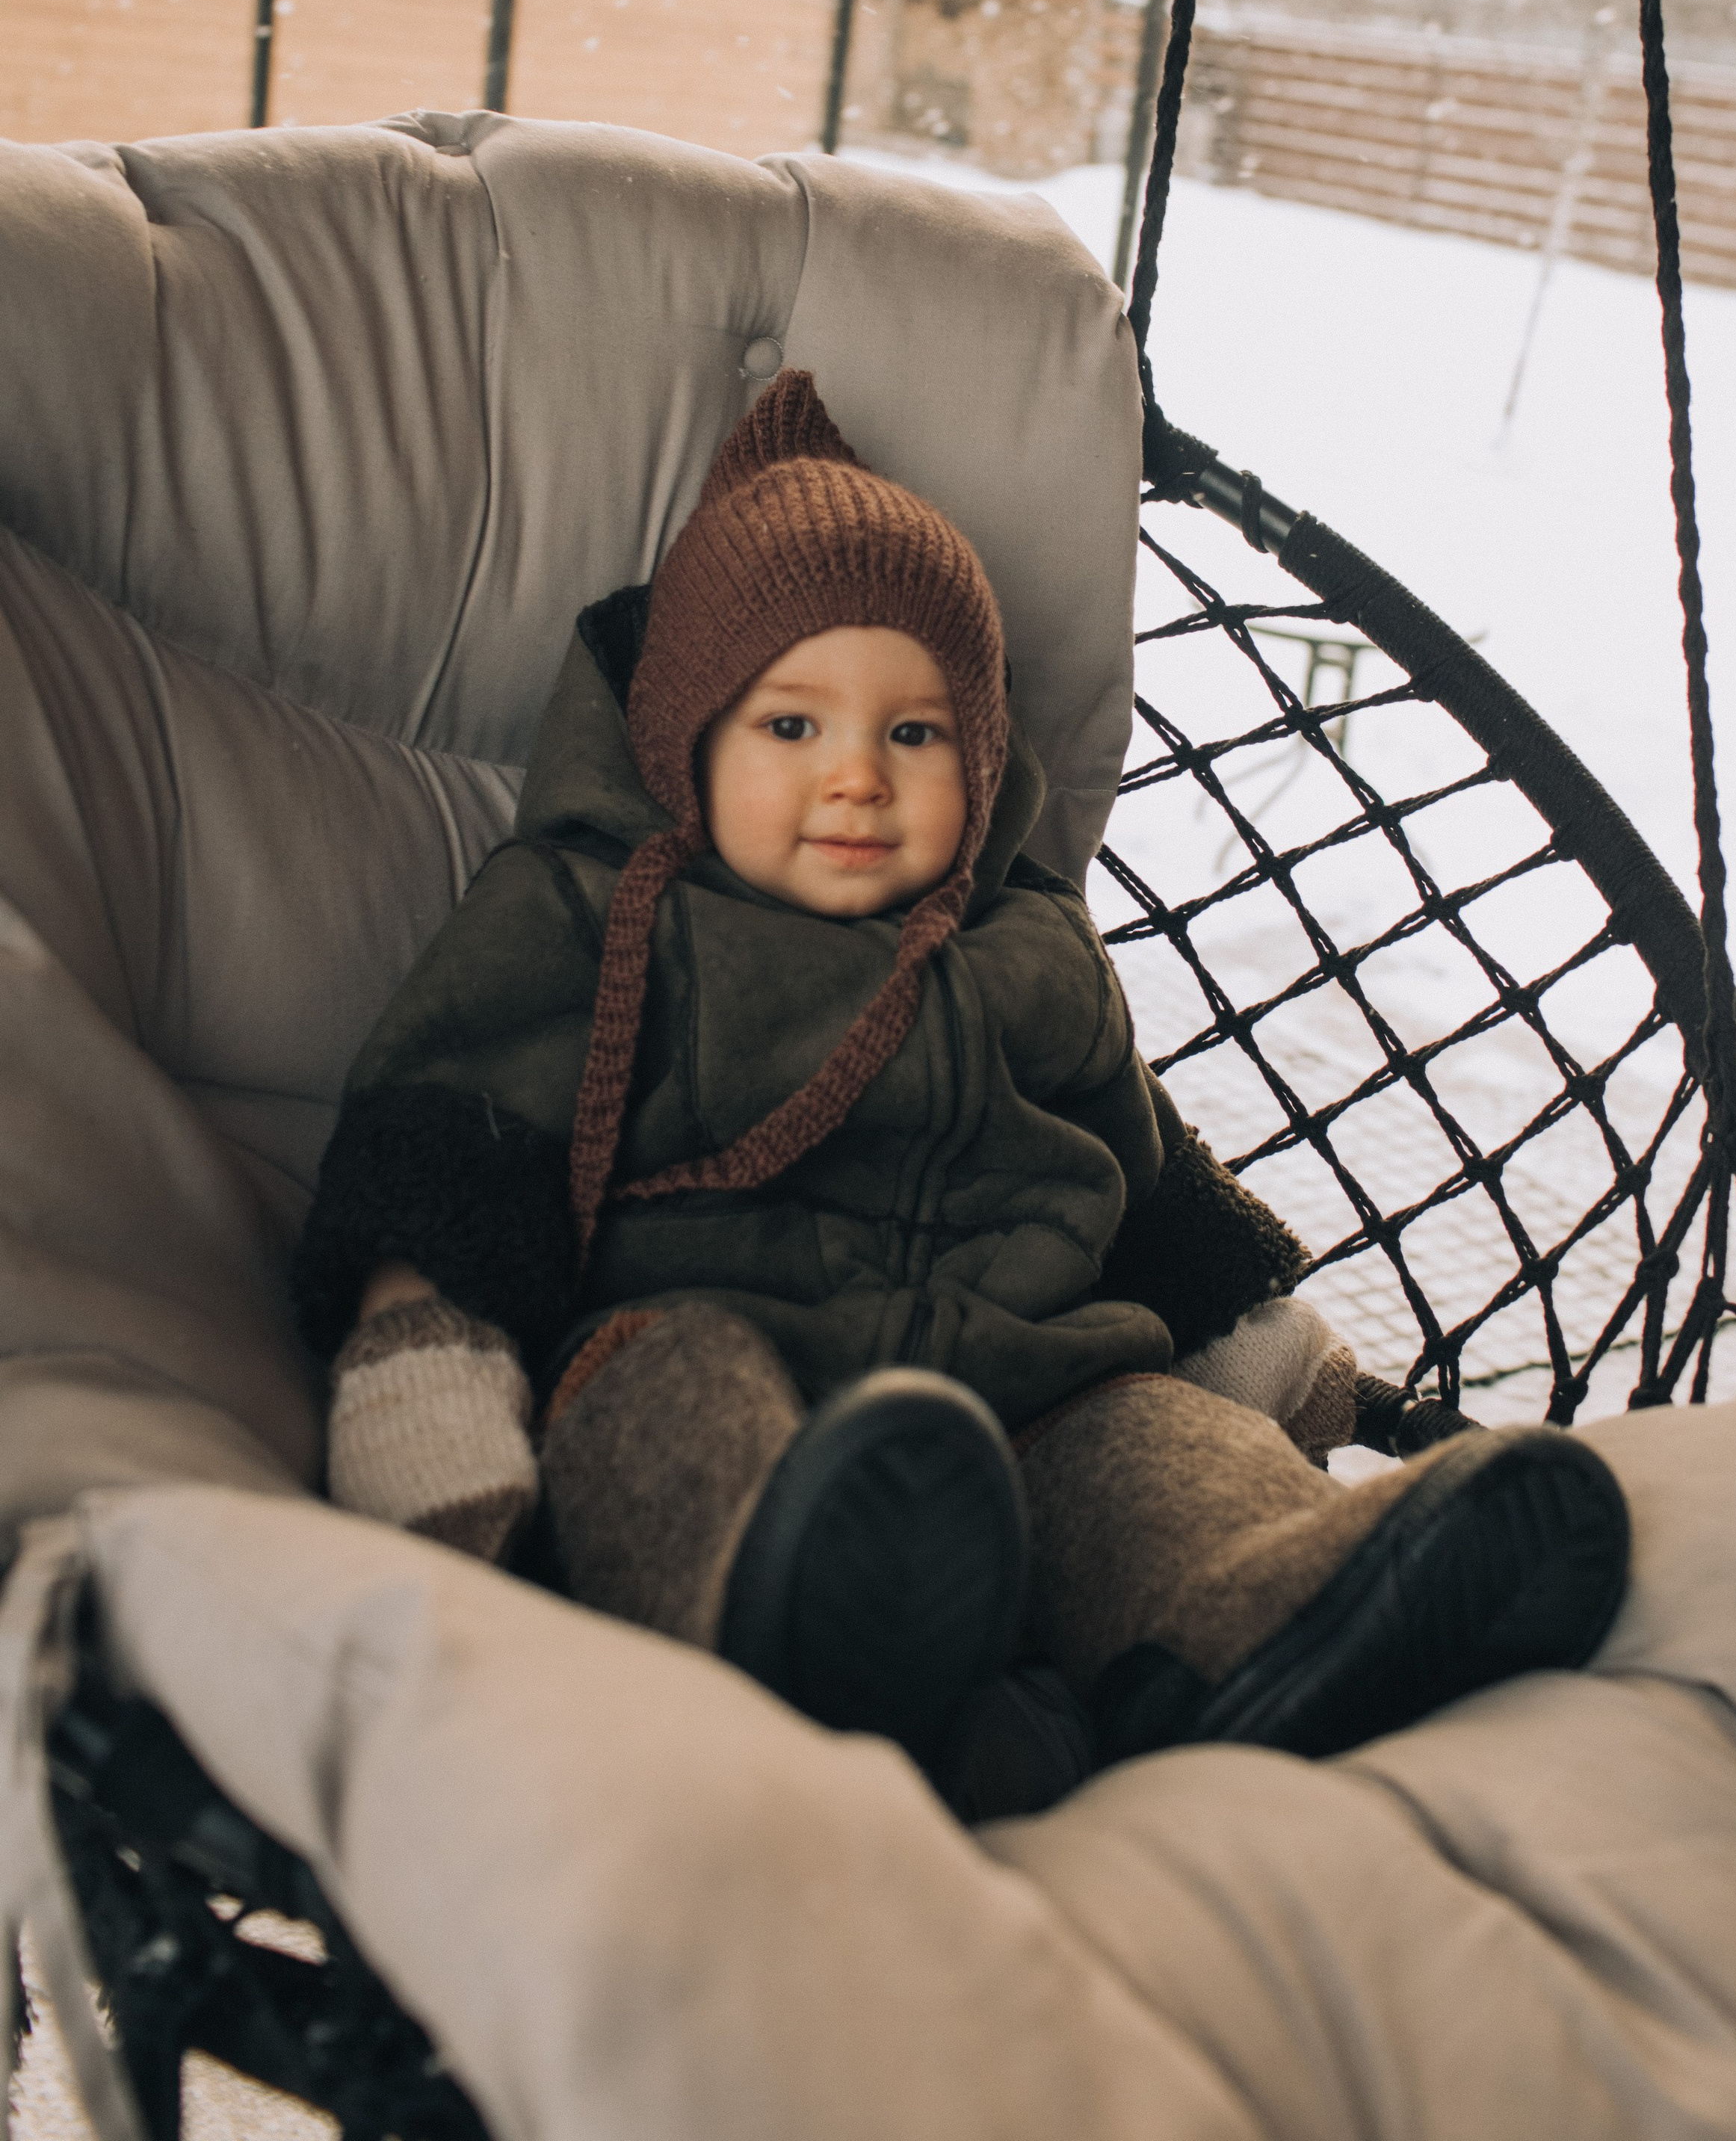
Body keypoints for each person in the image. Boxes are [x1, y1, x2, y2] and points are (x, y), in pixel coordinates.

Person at [292, 371, 1628, 1790]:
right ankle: (791, 1617)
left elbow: (1144, 1174)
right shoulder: (595, 914)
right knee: (673, 1426)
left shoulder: (1029, 943)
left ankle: (1277, 1616)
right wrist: (421, 1375)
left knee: (1153, 1453)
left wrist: (1267, 1347)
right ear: (685, 744)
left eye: (914, 734)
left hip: (1032, 1377)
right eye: (791, 727)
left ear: (982, 762)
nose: (859, 777)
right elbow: (450, 1149)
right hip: (697, 1334)